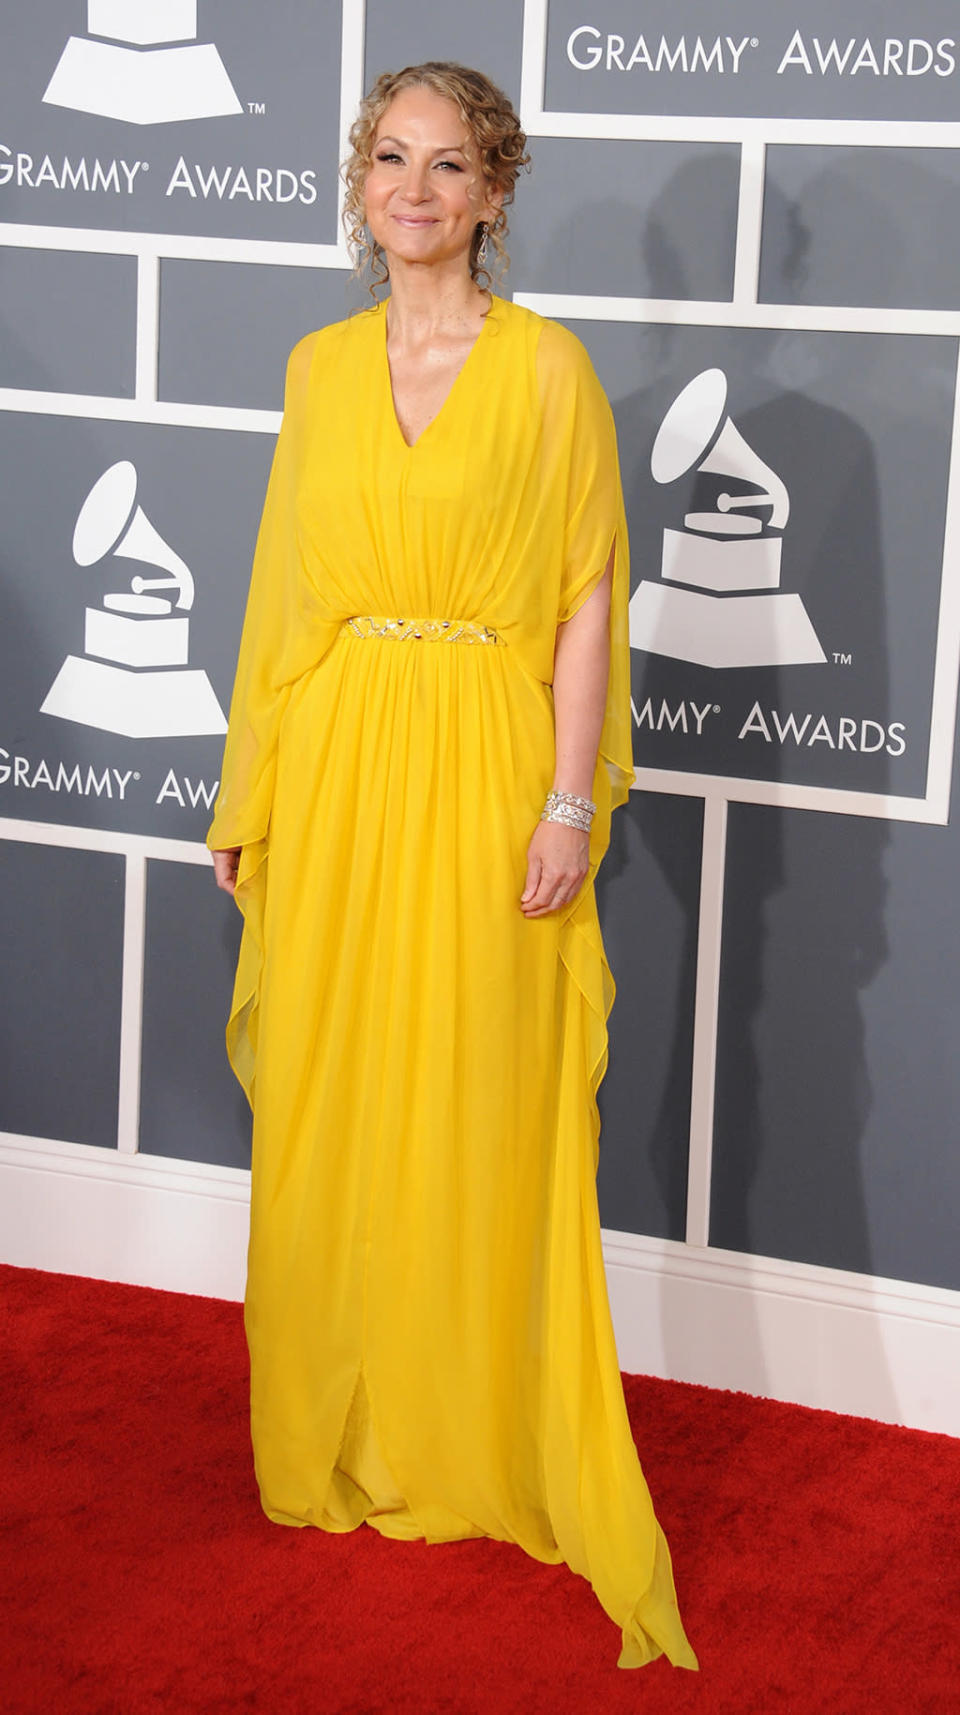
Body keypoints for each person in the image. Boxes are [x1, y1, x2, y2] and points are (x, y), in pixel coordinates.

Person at [208, 61, 697, 1672]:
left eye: (452, 163)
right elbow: (284, 589)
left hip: (487, 771)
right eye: (390, 160)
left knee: (480, 1097)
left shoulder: (548, 371)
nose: (415, 189)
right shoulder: (319, 366)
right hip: (342, 765)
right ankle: (346, 1430)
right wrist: (252, 794)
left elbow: (577, 600)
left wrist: (569, 805)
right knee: (344, 1102)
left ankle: (476, 1438)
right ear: (361, 186)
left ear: (496, 191)